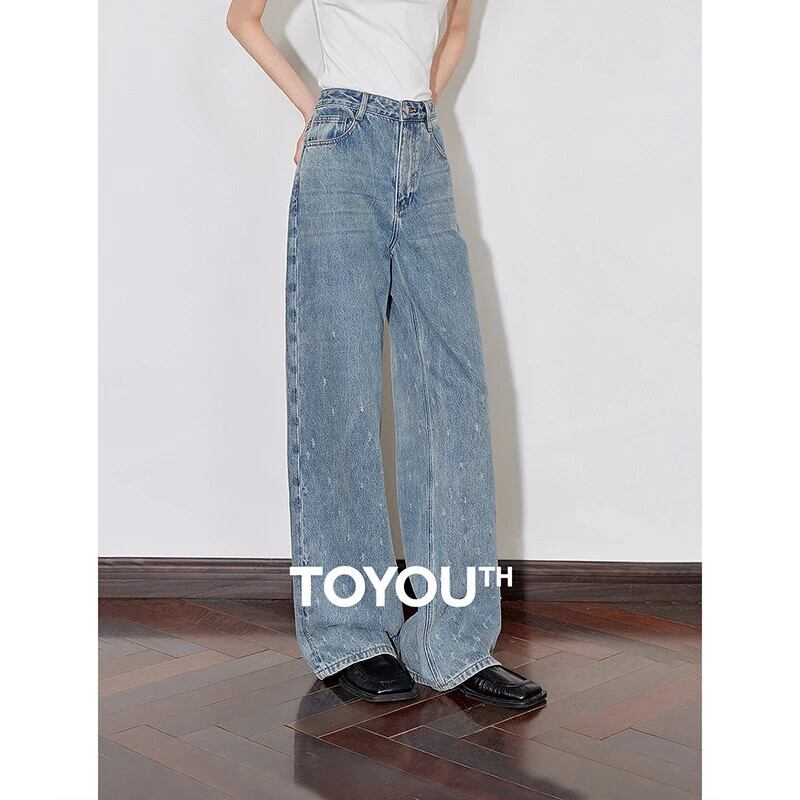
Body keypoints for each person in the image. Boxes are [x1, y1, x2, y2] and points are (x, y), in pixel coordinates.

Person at [226, 0, 546, 708]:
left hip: (424, 148)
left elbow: (456, 26)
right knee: (338, 386)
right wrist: (316, 111)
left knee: (452, 392)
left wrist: (417, 105)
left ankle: (451, 641)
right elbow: (242, 17)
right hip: (343, 143)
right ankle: (350, 633)